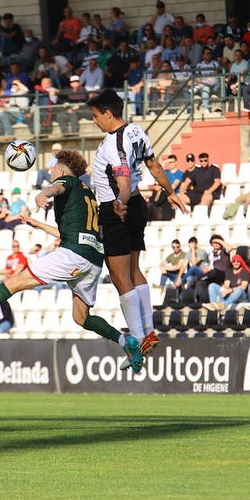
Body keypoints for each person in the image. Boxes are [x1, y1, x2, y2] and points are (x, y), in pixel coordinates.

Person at [0, 149, 145, 372]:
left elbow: (57, 187)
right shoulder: (87, 193)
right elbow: (70, 232)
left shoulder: (67, 180)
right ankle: (126, 342)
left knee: (13, 283)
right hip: (92, 258)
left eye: (53, 168)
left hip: (73, 255)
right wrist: (38, 225)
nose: (50, 171)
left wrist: (43, 194)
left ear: (61, 169)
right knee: (81, 317)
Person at [86, 90, 189, 359]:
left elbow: (122, 177)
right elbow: (153, 165)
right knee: (134, 270)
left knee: (119, 275)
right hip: (137, 205)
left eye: (96, 116)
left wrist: (118, 203)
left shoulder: (113, 142)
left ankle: (138, 335)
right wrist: (171, 192)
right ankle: (149, 330)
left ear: (109, 113)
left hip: (117, 209)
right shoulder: (137, 131)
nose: (95, 121)